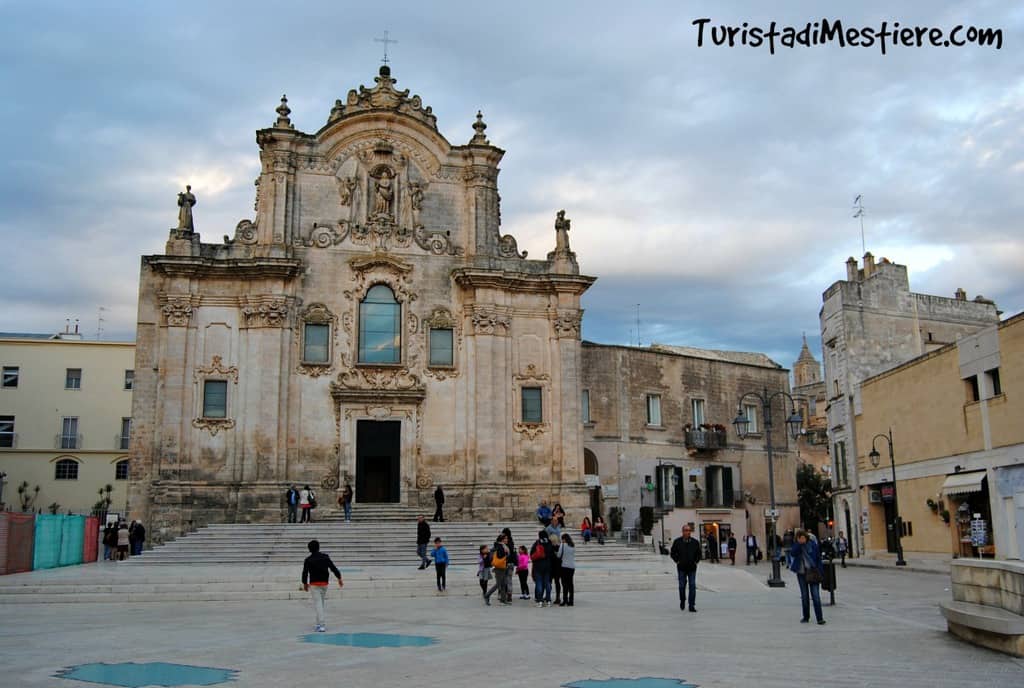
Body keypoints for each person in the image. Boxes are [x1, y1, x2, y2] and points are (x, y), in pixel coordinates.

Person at [301, 539, 343, 633]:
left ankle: (322, 625)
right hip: (324, 583)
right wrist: (339, 578)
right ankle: (318, 624)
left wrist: (305, 583)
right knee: (320, 603)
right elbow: (333, 568)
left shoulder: (308, 560)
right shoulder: (325, 557)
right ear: (318, 547)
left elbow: (305, 573)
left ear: (309, 549)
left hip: (314, 584)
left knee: (318, 604)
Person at [789, 529, 826, 625]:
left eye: (803, 538)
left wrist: (820, 571)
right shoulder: (797, 546)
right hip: (801, 573)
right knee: (804, 596)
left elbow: (818, 558)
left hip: (812, 572)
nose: (802, 539)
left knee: (816, 596)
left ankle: (820, 618)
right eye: (799, 538)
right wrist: (798, 544)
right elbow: (793, 553)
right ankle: (806, 617)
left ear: (806, 537)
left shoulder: (812, 545)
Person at [670, 524, 701, 612]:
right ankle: (682, 600)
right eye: (686, 530)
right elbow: (672, 553)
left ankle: (691, 605)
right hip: (681, 568)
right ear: (682, 531)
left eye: (689, 530)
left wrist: (696, 561)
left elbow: (699, 554)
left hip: (692, 568)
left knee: (692, 586)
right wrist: (677, 561)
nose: (687, 532)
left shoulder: (695, 542)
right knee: (681, 586)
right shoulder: (677, 541)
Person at [485, 533, 512, 605]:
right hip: (499, 567)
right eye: (505, 538)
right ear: (502, 539)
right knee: (498, 584)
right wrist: (506, 554)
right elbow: (500, 556)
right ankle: (487, 595)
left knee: (503, 584)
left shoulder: (503, 546)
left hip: (503, 566)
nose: (507, 540)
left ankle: (503, 600)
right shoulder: (500, 546)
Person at [530, 530, 554, 607]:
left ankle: (540, 601)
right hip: (547, 566)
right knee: (547, 583)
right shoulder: (549, 543)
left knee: (539, 583)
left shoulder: (537, 543)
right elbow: (552, 554)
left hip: (538, 566)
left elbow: (531, 554)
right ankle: (548, 600)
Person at [558, 533, 576, 606]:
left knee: (564, 584)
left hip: (564, 566)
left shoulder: (562, 545)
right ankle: (571, 601)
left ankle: (565, 600)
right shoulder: (573, 545)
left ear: (564, 539)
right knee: (570, 584)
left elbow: (559, 555)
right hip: (572, 567)